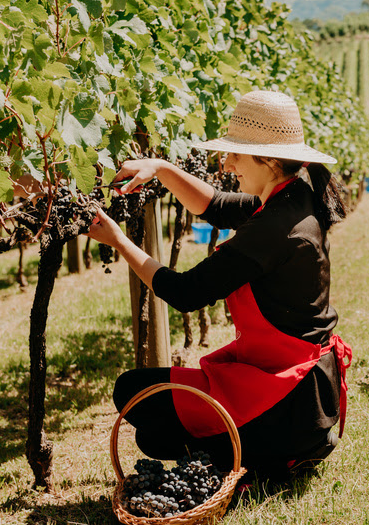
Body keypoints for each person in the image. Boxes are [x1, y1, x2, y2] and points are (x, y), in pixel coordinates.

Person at [86, 90, 352, 480]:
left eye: (236, 154)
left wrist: (120, 241)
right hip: (302, 390)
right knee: (150, 429)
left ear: (270, 159)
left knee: (134, 396)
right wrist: (160, 167)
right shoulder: (292, 198)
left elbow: (184, 292)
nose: (226, 163)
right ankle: (286, 446)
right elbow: (216, 206)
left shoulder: (276, 227)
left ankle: (277, 454)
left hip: (289, 399)